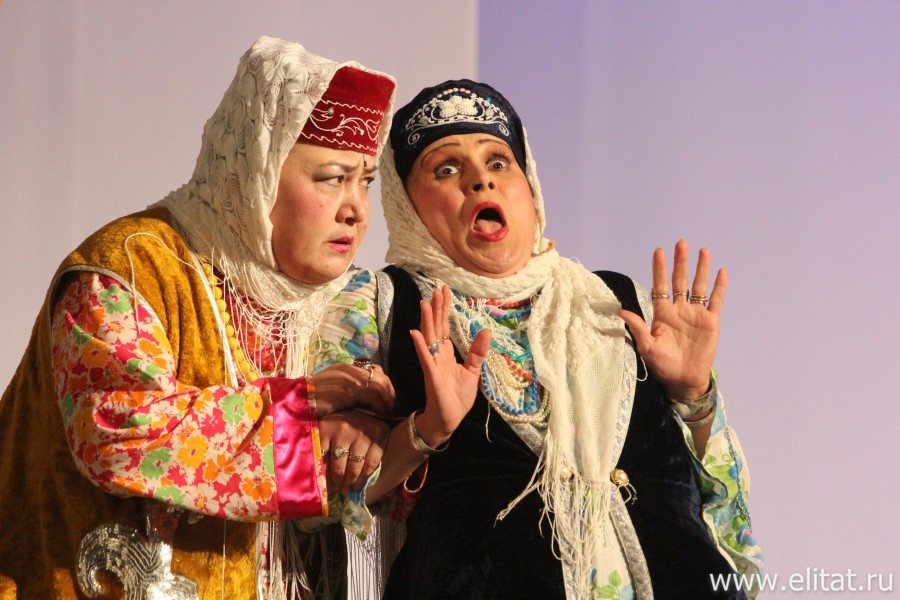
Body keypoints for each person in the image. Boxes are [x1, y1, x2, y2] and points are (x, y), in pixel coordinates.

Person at [316, 80, 764, 599]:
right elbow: (328, 497)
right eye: (447, 169)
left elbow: (722, 515)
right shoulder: (378, 307)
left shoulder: (618, 303)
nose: (481, 180)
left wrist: (694, 397)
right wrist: (426, 430)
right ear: (406, 205)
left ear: (528, 186)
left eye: (499, 162)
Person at [0, 36, 397, 599]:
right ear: (257, 171)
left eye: (366, 180)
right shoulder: (130, 264)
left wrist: (406, 433)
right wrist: (303, 409)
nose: (355, 208)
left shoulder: (339, 304)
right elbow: (115, 430)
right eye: (332, 177)